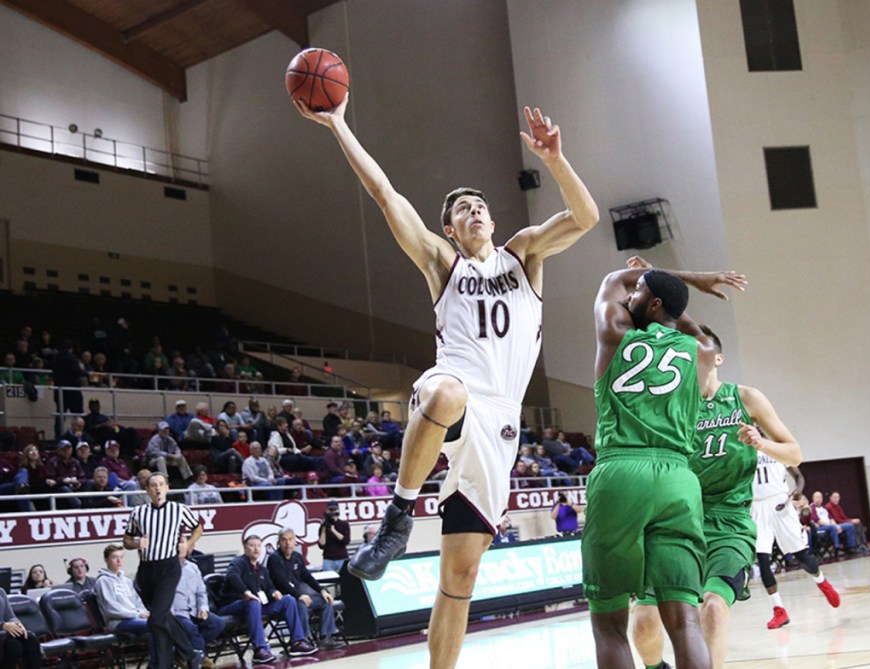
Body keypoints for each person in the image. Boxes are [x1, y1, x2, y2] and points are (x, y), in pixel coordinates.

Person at [297, 90, 602, 665]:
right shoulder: (443, 264)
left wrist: (555, 159)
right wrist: (338, 124)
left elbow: (585, 218)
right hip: (458, 395)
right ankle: (398, 514)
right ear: (450, 227)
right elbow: (385, 196)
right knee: (441, 388)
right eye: (464, 209)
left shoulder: (525, 255)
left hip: (502, 424)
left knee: (459, 575)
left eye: (481, 205)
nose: (477, 211)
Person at [630, 322, 830, 667]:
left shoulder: (745, 398)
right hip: (676, 521)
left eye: (697, 347)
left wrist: (760, 441)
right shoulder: (670, 406)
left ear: (717, 357)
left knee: (712, 609)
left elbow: (794, 453)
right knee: (643, 625)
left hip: (729, 522)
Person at [584, 259, 746, 669]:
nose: (630, 293)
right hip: (677, 479)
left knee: (610, 625)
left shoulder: (613, 334)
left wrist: (676, 278)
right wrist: (675, 289)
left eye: (638, 291)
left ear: (653, 305)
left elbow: (610, 278)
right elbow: (684, 322)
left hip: (621, 472)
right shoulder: (702, 351)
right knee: (685, 622)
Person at [122, 472, 204, 669]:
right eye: (153, 485)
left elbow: (198, 527)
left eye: (161, 484)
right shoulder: (138, 512)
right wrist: (136, 543)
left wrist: (189, 544)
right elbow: (126, 540)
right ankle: (169, 663)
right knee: (163, 617)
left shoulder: (179, 509)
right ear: (147, 490)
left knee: (156, 618)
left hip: (168, 567)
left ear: (167, 487)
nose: (157, 488)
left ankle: (188, 652)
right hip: (146, 569)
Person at [221, 535, 316, 663]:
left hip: (258, 605)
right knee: (253, 602)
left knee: (288, 600)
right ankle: (259, 649)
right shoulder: (238, 562)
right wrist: (246, 592)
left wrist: (274, 592)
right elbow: (232, 576)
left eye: (258, 546)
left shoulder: (262, 570)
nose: (256, 549)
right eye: (252, 545)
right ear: (245, 548)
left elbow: (269, 587)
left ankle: (297, 642)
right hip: (234, 604)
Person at [267, 529, 344, 648]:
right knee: (301, 604)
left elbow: (307, 577)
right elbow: (282, 583)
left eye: (290, 539)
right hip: (285, 600)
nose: (287, 543)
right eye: (284, 540)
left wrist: (322, 591)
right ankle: (303, 640)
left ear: (295, 542)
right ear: (279, 543)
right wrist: (299, 596)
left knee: (325, 600)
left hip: (299, 596)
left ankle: (325, 638)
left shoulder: (297, 557)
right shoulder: (274, 559)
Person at [95, 544, 158, 667]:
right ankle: (158, 665)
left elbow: (137, 602)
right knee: (155, 626)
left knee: (163, 624)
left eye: (121, 557)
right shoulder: (103, 581)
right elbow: (110, 609)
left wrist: (145, 613)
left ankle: (164, 661)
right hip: (118, 622)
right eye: (114, 557)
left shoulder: (126, 581)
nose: (119, 561)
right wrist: (137, 614)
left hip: (135, 618)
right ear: (106, 559)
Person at [172, 537, 226, 669]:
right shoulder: (164, 570)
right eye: (179, 544)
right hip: (176, 613)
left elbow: (201, 591)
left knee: (217, 623)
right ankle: (198, 658)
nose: (183, 547)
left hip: (195, 609)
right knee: (191, 628)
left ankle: (182, 652)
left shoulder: (193, 567)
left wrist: (203, 607)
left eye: (185, 544)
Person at [0, 583, 43, 669]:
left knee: (31, 639)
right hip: (2, 629)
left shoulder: (1, 591)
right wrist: (2, 625)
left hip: (4, 632)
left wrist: (17, 624)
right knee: (14, 646)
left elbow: (11, 616)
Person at [318, 501, 351, 573]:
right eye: (330, 510)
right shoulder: (323, 526)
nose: (332, 512)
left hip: (342, 558)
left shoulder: (344, 524)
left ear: (338, 510)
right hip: (328, 559)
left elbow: (346, 541)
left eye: (334, 510)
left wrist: (333, 530)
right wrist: (324, 529)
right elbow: (321, 545)